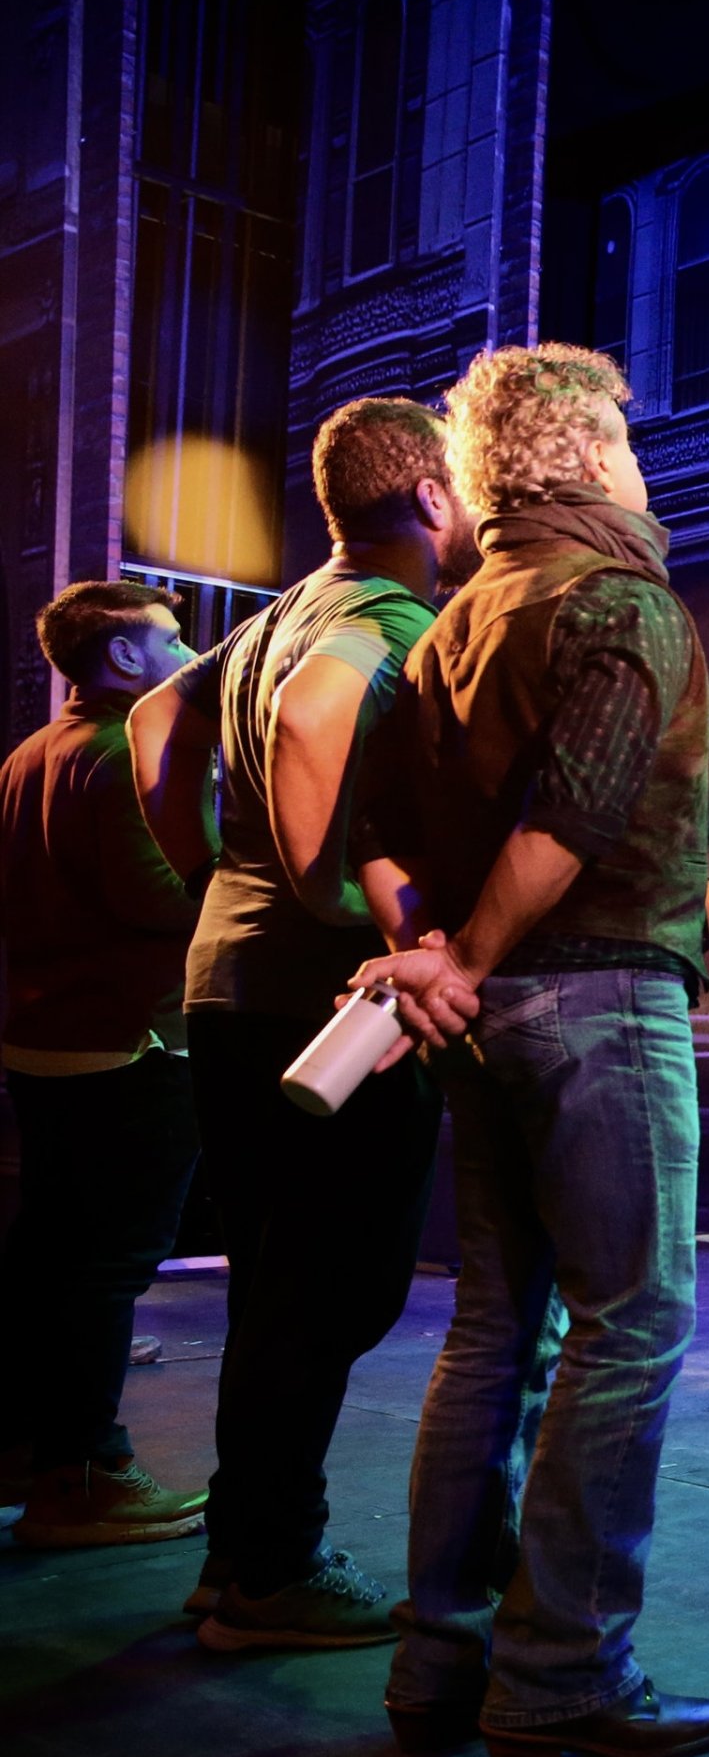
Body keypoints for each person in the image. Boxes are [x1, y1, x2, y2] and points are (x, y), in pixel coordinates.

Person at [348, 343, 709, 1757]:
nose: (639, 461)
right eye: (624, 438)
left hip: (482, 1018)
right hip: (596, 999)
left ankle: (439, 1660)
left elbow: (370, 832)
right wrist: (467, 953)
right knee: (632, 1325)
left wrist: (433, 955)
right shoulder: (619, 600)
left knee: (495, 1332)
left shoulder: (452, 621)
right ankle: (564, 1674)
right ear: (581, 456)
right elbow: (573, 817)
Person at [130, 398, 469, 1649]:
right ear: (430, 496)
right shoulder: (392, 617)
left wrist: (212, 874)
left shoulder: (281, 611)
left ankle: (240, 1553)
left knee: (274, 1288)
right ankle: (274, 1573)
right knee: (332, 1289)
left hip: (228, 979)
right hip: (319, 1004)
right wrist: (339, 901)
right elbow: (316, 720)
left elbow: (154, 723)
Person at [0, 582, 205, 1547]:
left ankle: (26, 1447)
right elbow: (153, 899)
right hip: (129, 1042)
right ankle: (85, 1476)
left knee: (47, 1255)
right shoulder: (125, 747)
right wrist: (241, 873)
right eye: (173, 640)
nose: (188, 656)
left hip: (43, 1039)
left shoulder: (30, 753)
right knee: (109, 1265)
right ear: (123, 657)